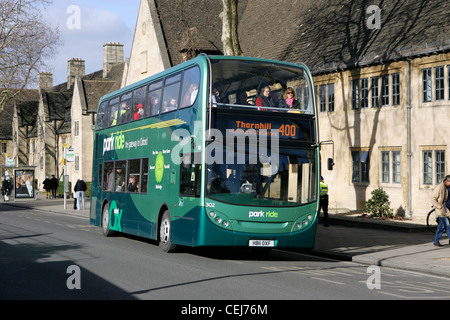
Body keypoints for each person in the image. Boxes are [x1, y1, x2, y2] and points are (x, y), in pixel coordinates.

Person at [431, 175, 450, 247]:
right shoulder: (439, 187)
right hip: (441, 210)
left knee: (442, 226)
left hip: (447, 210)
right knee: (445, 225)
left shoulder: (447, 187)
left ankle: (436, 241)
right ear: (446, 181)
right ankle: (436, 241)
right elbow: (433, 198)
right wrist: (439, 206)